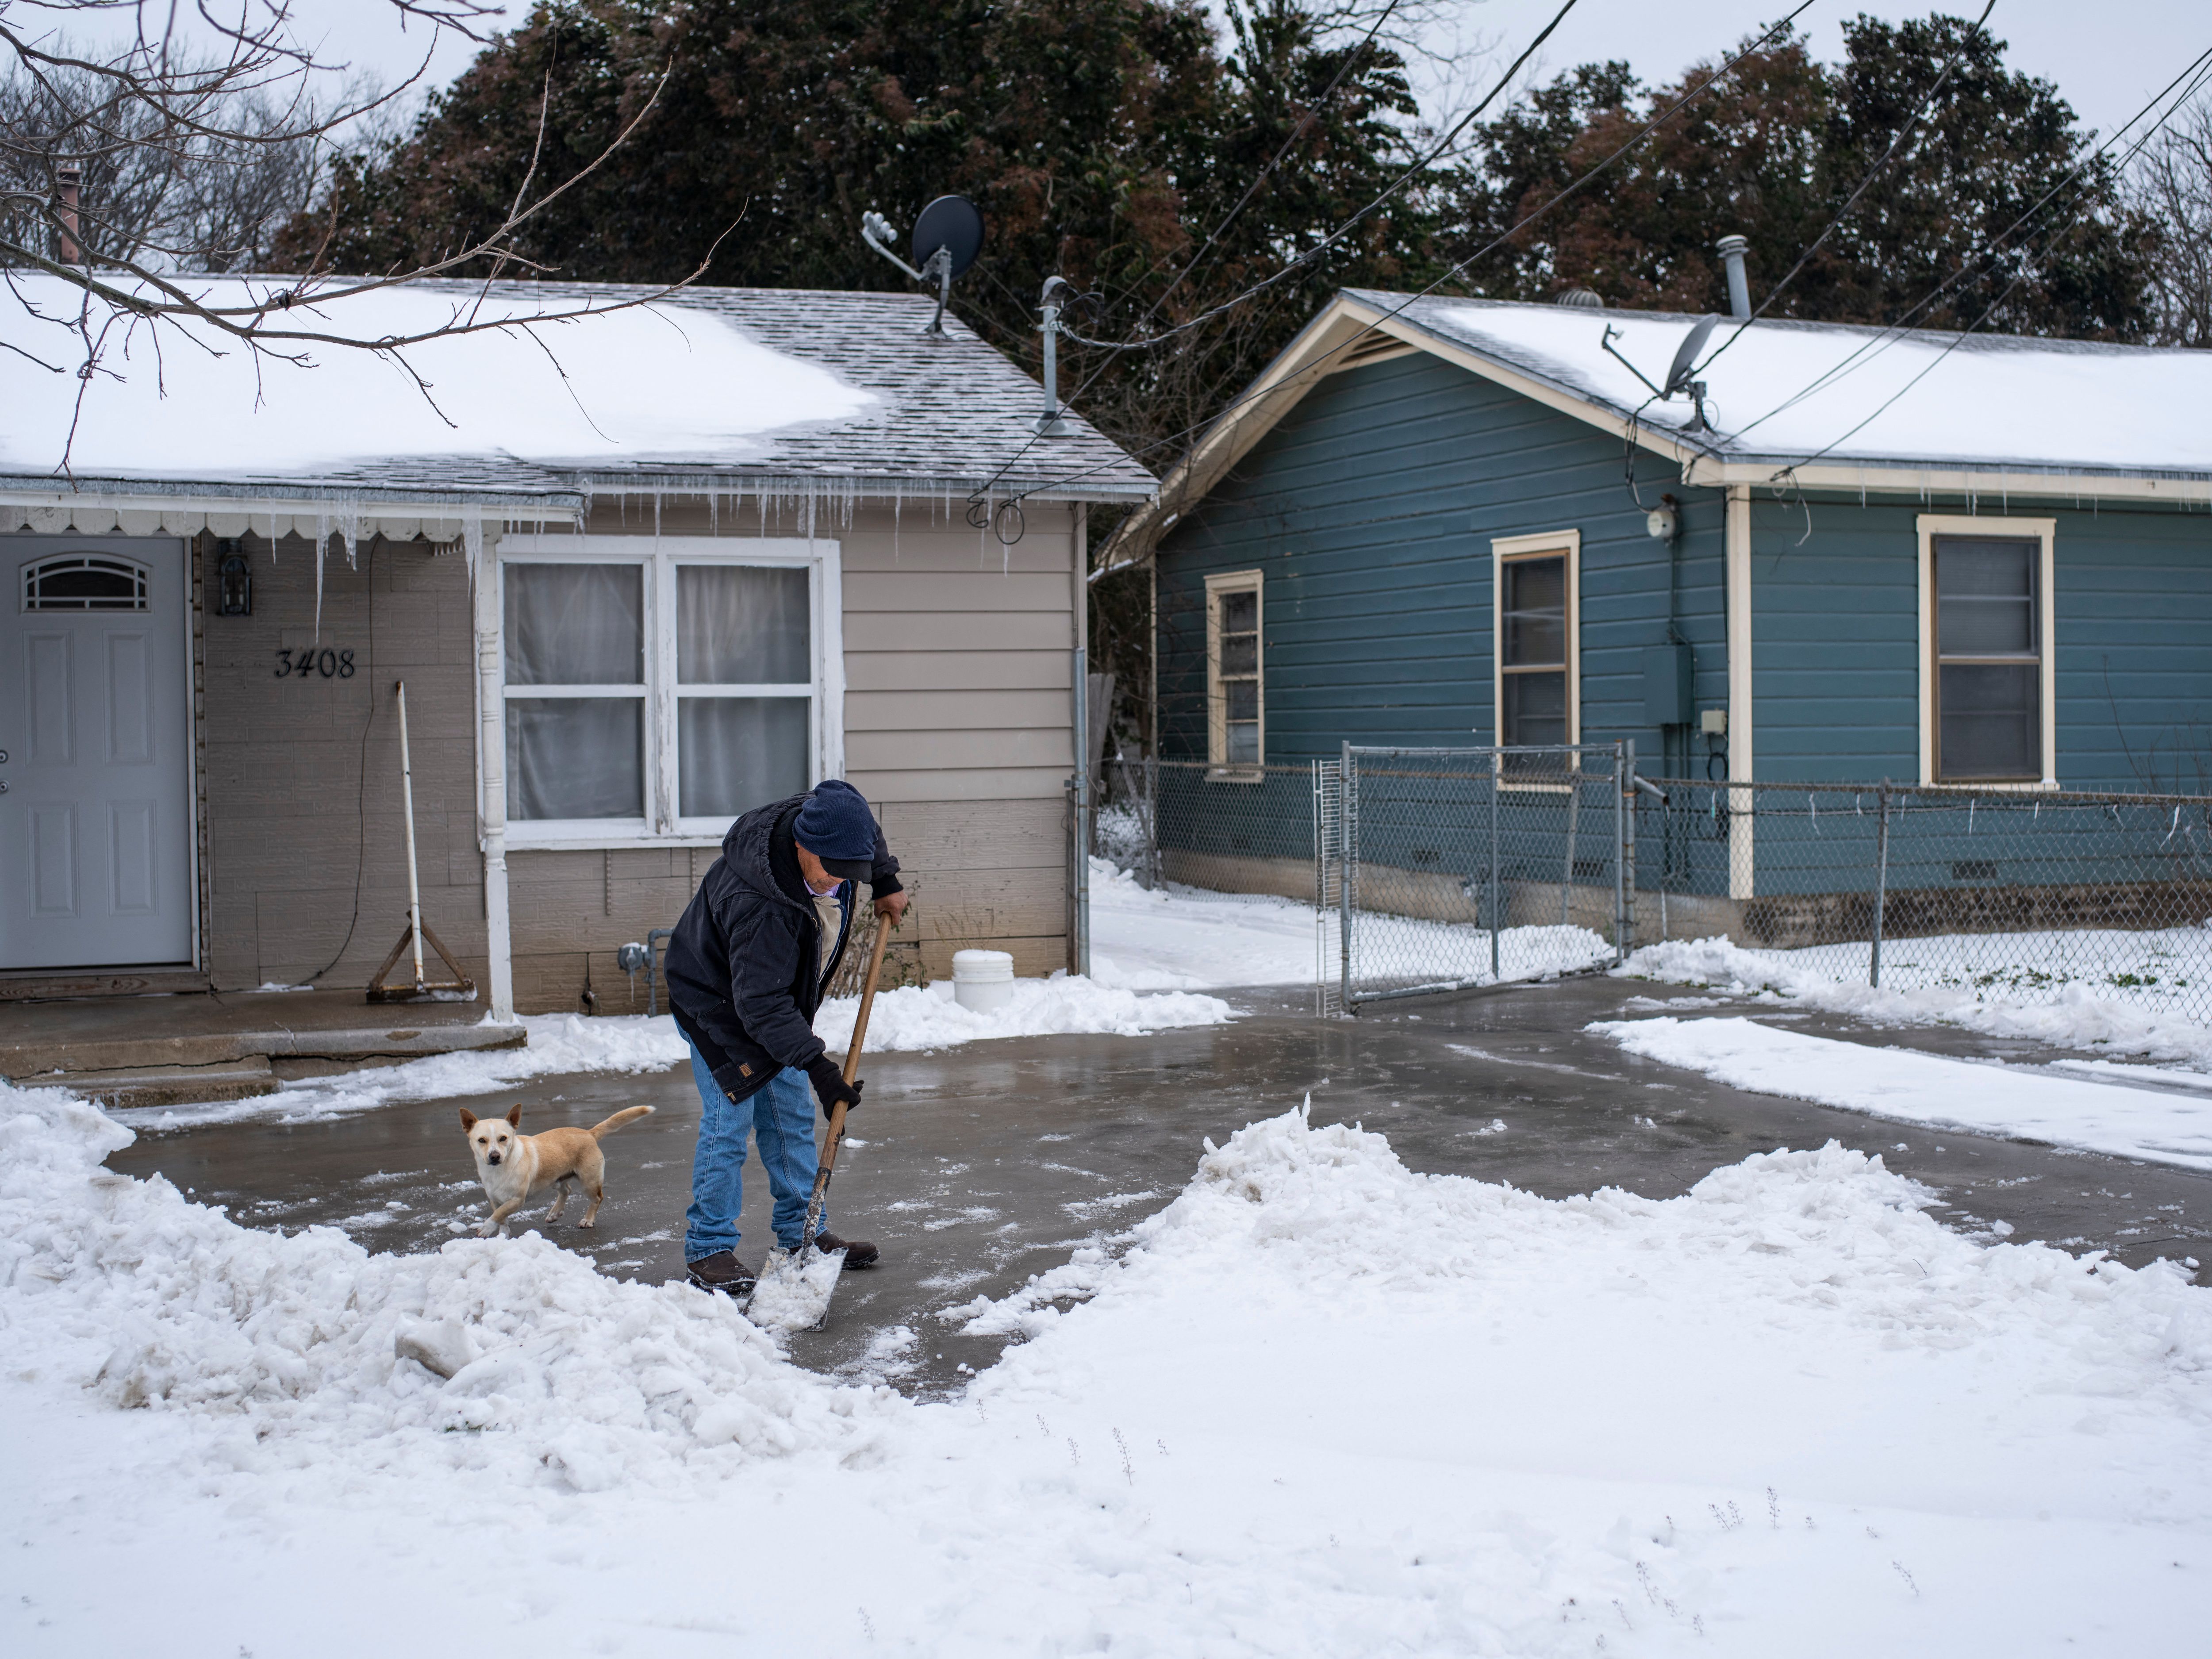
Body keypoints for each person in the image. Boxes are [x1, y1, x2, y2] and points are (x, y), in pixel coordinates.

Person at [663, 778, 908, 1296]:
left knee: (790, 1116)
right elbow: (761, 1007)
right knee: (730, 1120)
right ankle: (707, 1248)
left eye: (851, 874)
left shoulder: (830, 817)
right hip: (716, 1003)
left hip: (767, 998)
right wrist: (819, 1068)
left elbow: (858, 817)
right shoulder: (761, 904)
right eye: (830, 872)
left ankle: (804, 1234)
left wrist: (883, 878)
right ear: (802, 844)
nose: (838, 884)